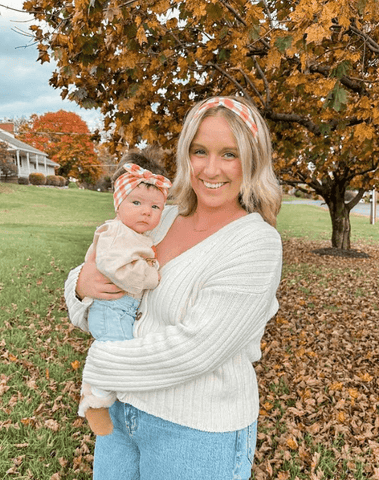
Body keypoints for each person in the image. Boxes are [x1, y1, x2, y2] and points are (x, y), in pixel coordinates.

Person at [65, 95, 282, 480]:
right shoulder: (157, 218)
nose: (211, 168)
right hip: (119, 417)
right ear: (185, 154)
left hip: (194, 432)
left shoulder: (256, 243)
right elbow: (97, 272)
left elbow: (196, 349)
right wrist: (80, 286)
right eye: (200, 151)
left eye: (229, 154)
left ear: (252, 159)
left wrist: (101, 367)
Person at [78, 148, 172, 436]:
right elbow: (113, 266)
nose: (146, 211)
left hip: (121, 309)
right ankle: (96, 401)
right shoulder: (117, 232)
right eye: (137, 202)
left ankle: (96, 394)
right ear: (119, 205)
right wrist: (151, 276)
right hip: (111, 309)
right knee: (113, 355)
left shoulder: (135, 233)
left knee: (112, 352)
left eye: (155, 207)